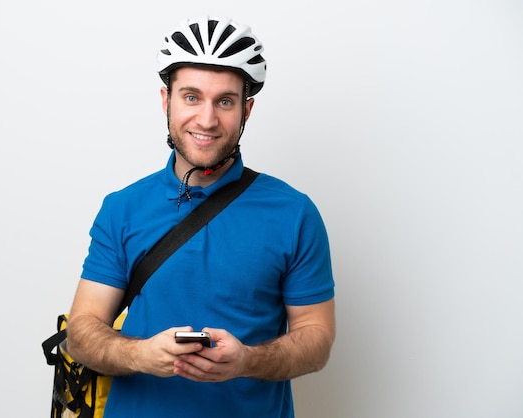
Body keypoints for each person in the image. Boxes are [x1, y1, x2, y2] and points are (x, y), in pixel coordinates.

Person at [66, 15, 336, 418]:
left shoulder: (294, 213)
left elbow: (316, 339)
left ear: (247, 110)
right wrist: (141, 354)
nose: (207, 120)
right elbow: (82, 333)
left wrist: (246, 360)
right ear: (166, 100)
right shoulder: (122, 208)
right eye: (191, 97)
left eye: (224, 101)